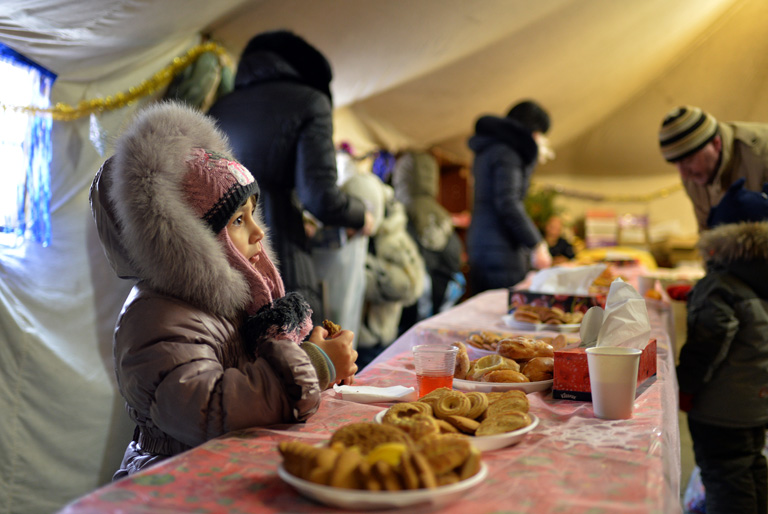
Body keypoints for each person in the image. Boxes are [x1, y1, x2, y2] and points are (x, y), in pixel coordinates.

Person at [89, 102, 357, 479]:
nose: (258, 231)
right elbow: (209, 408)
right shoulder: (156, 320)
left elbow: (250, 376)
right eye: (237, 219)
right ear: (189, 238)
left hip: (217, 468)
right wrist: (316, 364)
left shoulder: (225, 301)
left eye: (252, 213)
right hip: (172, 483)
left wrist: (306, 348)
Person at [208, 30, 374, 326]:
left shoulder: (219, 108)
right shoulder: (311, 102)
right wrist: (361, 215)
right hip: (281, 254)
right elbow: (319, 196)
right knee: (300, 358)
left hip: (222, 258)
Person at [677, 177, 768, 514]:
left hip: (721, 409)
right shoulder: (757, 277)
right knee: (752, 466)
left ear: (715, 241)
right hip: (757, 403)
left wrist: (685, 384)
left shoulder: (718, 286)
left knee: (725, 477)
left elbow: (711, 337)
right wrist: (693, 295)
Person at [466, 99, 553, 294]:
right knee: (502, 316)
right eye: (539, 135)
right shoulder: (508, 153)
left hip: (483, 245)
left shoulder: (489, 149)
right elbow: (508, 203)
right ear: (531, 131)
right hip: (500, 250)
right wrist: (536, 244)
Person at [659, 105, 768, 232]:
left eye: (689, 160)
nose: (684, 175)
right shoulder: (692, 175)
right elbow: (706, 232)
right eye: (676, 164)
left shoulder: (762, 154)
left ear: (716, 144)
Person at [391, 150, 464, 331]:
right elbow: (456, 256)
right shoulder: (443, 214)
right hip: (444, 304)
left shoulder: (398, 212)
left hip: (409, 310)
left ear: (401, 177)